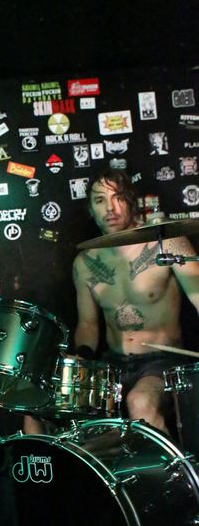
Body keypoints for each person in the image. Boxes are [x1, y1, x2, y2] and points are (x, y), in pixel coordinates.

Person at [72, 167, 199, 432]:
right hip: (112, 364)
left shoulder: (166, 242)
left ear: (132, 201)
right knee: (46, 407)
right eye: (100, 200)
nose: (110, 208)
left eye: (118, 197)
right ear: (91, 209)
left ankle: (168, 462)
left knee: (140, 401)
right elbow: (88, 324)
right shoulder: (84, 262)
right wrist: (82, 357)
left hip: (162, 361)